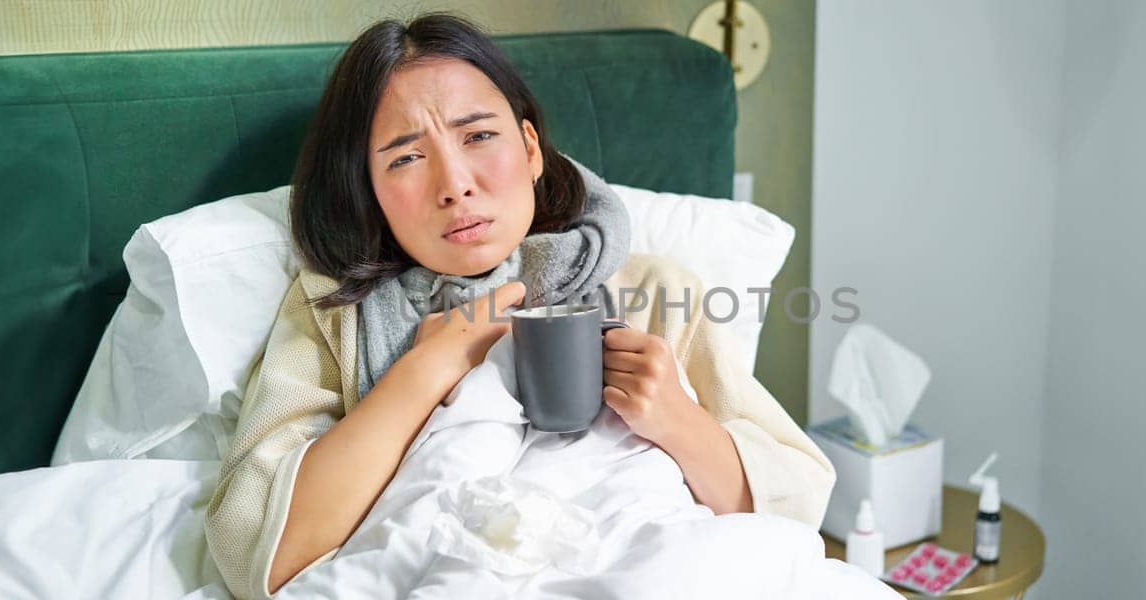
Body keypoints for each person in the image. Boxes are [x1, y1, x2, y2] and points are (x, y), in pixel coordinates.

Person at [203, 13, 833, 599]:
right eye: (407, 158)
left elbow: (793, 503)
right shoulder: (334, 312)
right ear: (369, 190)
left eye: (478, 136)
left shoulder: (652, 293)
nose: (455, 186)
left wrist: (675, 418)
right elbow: (254, 549)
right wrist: (423, 373)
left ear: (531, 150)